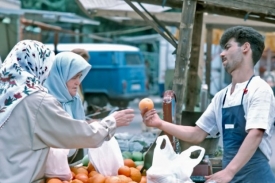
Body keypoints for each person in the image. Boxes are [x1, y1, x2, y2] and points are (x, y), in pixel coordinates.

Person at [142, 26, 275, 183]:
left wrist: (229, 172)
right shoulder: (222, 96)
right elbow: (197, 134)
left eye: (227, 47)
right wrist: (159, 123)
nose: (221, 53)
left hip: (256, 177)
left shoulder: (260, 89)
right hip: (231, 177)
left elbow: (256, 134)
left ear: (245, 47)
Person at [0, 40, 135, 183]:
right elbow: (78, 134)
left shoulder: (7, 94)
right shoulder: (37, 100)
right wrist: (110, 122)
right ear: (39, 65)